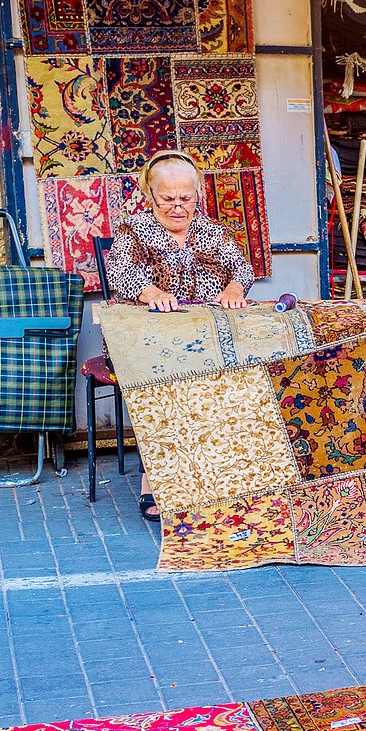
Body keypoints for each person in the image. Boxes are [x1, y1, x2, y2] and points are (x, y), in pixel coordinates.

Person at [105, 150, 257, 520]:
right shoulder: (134, 231)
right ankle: (153, 480)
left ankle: (218, 475)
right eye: (167, 200)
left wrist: (235, 289)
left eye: (185, 199)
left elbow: (243, 267)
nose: (177, 207)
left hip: (203, 335)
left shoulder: (213, 232)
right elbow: (119, 271)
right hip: (149, 337)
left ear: (197, 195)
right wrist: (152, 293)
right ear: (150, 196)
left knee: (241, 368)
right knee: (160, 379)